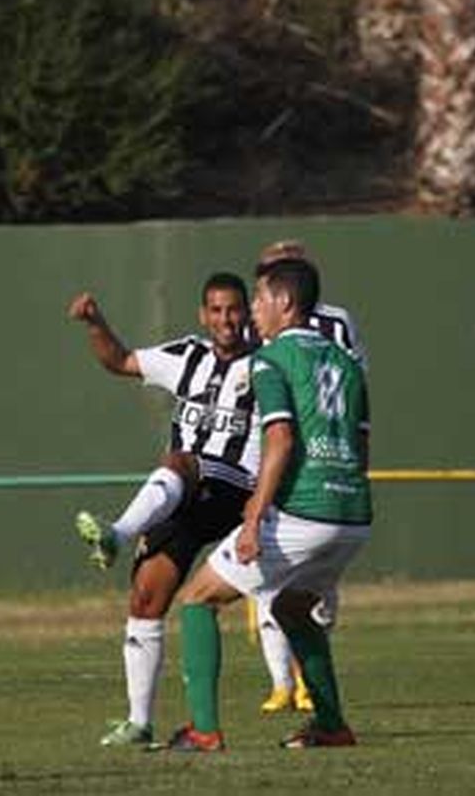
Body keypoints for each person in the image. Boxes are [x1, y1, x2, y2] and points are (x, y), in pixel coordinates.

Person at [67, 273, 294, 747]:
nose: (225, 319)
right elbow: (121, 360)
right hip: (185, 493)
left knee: (179, 460)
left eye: (233, 309)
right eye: (216, 310)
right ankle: (139, 722)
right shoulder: (186, 355)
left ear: (246, 312)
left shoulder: (269, 361)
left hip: (235, 491)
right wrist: (94, 322)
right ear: (203, 315)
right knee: (145, 597)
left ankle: (117, 533)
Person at [167, 257, 372, 753]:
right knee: (292, 608)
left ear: (284, 303)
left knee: (197, 600)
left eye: (258, 299)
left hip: (303, 512)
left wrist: (254, 518)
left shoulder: (271, 358)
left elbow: (278, 440)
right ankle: (331, 726)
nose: (252, 310)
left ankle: (204, 730)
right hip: (352, 515)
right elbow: (360, 444)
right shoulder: (345, 361)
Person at [248, 239, 366, 714]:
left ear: (289, 291)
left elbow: (351, 386)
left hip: (315, 460)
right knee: (269, 588)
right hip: (287, 451)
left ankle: (207, 729)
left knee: (208, 595)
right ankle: (285, 684)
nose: (257, 303)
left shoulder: (335, 324)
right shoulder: (263, 334)